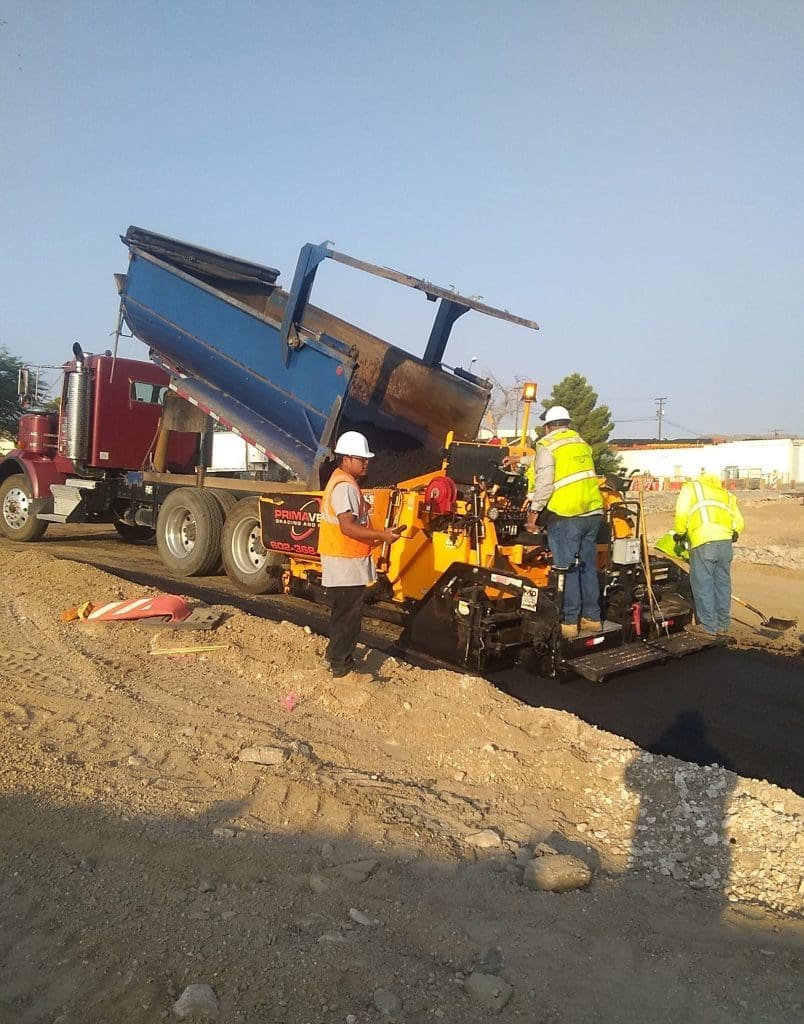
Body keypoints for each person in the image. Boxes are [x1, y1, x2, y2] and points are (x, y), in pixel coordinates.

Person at [319, 431, 401, 679]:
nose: (367, 463)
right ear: (347, 459)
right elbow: (347, 526)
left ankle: (337, 658)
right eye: (362, 459)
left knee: (344, 615)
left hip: (345, 561)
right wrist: (383, 536)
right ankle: (340, 667)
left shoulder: (342, 481)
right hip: (345, 562)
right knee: (348, 618)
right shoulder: (344, 487)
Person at [524, 406, 604, 639]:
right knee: (587, 566)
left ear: (548, 427)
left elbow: (546, 482)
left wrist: (534, 511)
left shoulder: (546, 445)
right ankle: (592, 618)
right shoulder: (580, 443)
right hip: (592, 513)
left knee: (566, 569)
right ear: (567, 424)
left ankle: (570, 622)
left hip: (566, 514)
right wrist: (522, 458)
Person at [673, 469, 744, 638]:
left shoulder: (692, 488)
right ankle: (723, 625)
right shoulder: (726, 494)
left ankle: (708, 627)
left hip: (704, 541)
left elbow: (682, 513)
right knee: (722, 584)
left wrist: (680, 532)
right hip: (725, 542)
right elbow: (739, 523)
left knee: (702, 583)